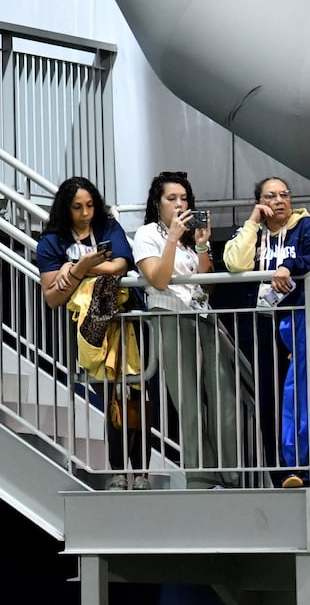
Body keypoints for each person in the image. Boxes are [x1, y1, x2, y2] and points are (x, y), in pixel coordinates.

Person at [130, 171, 243, 489]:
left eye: (184, 199)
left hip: (202, 317)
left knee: (223, 397)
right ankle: (200, 477)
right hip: (170, 318)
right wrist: (171, 239)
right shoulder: (148, 234)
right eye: (172, 198)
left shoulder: (188, 237)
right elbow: (160, 279)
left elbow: (204, 288)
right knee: (189, 402)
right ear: (158, 202)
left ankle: (232, 473)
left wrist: (203, 246)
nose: (180, 204)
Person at [36, 176, 144, 485]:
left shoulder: (107, 226)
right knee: (111, 398)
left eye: (90, 206)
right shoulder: (52, 241)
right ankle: (118, 470)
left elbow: (121, 265)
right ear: (65, 209)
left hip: (125, 324)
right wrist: (84, 268)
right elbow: (53, 296)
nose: (86, 213)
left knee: (136, 396)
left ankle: (141, 471)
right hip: (89, 330)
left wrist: (78, 269)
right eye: (78, 208)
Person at [223, 176, 310, 306]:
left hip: (296, 314)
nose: (279, 201)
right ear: (258, 202)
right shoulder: (250, 232)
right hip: (257, 316)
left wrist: (289, 265)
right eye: (270, 196)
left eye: (284, 195)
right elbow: (237, 265)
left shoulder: (306, 226)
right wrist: (252, 221)